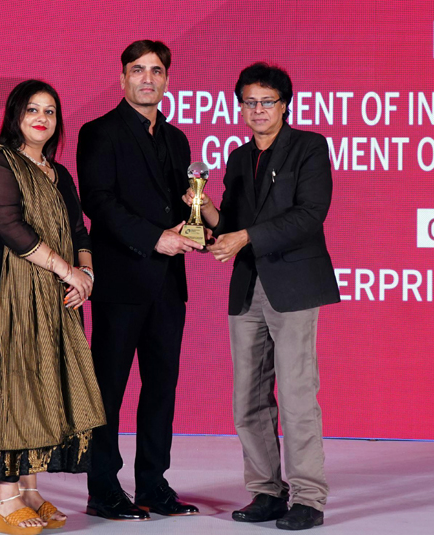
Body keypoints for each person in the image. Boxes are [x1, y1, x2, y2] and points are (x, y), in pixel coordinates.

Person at [0, 79, 105, 534]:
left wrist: (86, 276)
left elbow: (79, 231)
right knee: (14, 389)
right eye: (33, 109)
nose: (42, 118)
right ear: (15, 115)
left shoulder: (58, 172)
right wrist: (67, 271)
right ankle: (3, 496)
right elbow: (10, 227)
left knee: (42, 386)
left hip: (54, 302)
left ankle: (30, 491)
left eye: (50, 111)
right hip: (9, 298)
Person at [183, 62, 340, 531]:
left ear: (284, 105)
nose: (258, 110)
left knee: (295, 396)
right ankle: (267, 492)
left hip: (293, 286)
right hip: (247, 287)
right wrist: (204, 207)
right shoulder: (237, 158)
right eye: (249, 102)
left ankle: (308, 498)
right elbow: (231, 223)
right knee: (247, 399)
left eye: (267, 102)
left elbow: (310, 215)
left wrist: (246, 236)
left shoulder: (308, 147)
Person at [76, 39, 202, 521]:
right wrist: (155, 239)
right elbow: (99, 202)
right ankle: (103, 490)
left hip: (168, 286)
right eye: (137, 69)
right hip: (121, 283)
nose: (147, 78)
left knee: (161, 390)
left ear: (167, 79)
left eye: (156, 70)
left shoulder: (177, 139)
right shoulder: (99, 132)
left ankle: (153, 485)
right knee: (107, 391)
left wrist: (198, 229)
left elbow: (184, 204)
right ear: (122, 77)